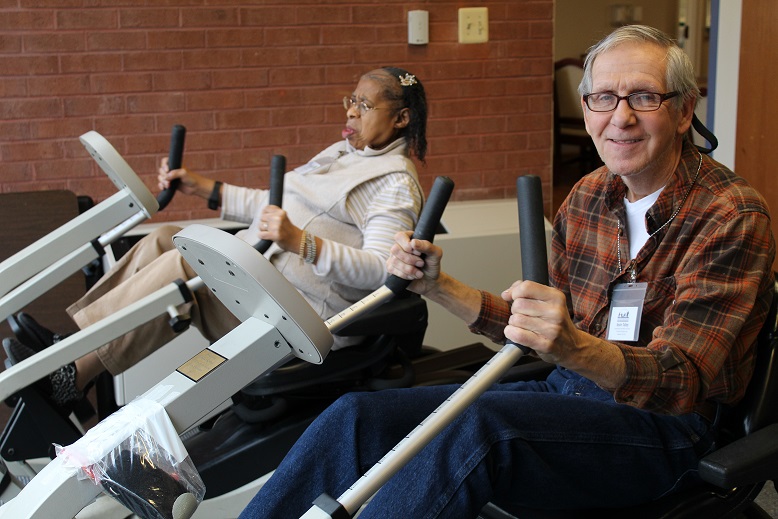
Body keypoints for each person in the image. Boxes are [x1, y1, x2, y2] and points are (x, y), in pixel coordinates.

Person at [238, 25, 775, 518]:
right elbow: (540, 333)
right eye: (604, 98)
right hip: (567, 391)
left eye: (644, 97)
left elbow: (683, 382)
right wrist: (437, 287)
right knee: (356, 416)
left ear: (683, 112)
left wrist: (573, 349)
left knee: (478, 431)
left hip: (666, 431)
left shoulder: (730, 216)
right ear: (587, 109)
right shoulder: (590, 196)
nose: (621, 117)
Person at [3, 66, 428, 411]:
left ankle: (69, 376)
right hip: (266, 286)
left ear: (402, 119)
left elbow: (381, 272)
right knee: (166, 239)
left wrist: (302, 242)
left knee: (187, 263)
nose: (351, 112)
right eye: (350, 100)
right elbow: (272, 205)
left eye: (365, 104)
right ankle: (69, 352)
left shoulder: (392, 184)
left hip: (299, 319)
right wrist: (201, 187)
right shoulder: (343, 157)